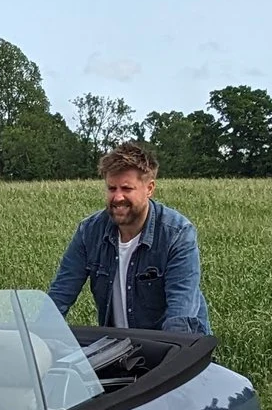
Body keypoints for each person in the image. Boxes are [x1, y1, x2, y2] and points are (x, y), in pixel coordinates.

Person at [47, 141, 211, 336]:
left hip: (170, 349)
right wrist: (36, 339)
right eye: (111, 188)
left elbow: (181, 315)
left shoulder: (177, 233)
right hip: (119, 349)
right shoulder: (89, 231)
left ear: (149, 188)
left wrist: (172, 359)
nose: (117, 198)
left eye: (126, 189)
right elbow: (60, 294)